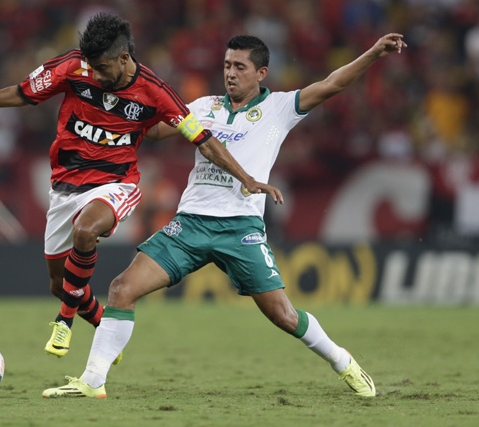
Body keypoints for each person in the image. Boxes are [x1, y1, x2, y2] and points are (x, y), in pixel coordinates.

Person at [41, 32, 407, 399]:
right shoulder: (203, 107)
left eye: (240, 67)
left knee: (284, 316)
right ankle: (92, 382)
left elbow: (332, 84)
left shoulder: (280, 108)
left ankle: (342, 361)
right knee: (121, 289)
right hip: (189, 225)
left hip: (240, 229)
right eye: (227, 65)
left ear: (261, 72)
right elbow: (151, 131)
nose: (230, 73)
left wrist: (374, 53)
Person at [0, 13, 280, 360]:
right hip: (65, 186)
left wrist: (245, 178)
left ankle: (63, 322)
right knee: (59, 285)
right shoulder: (73, 67)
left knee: (86, 230)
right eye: (91, 66)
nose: (95, 74)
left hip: (116, 183)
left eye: (103, 67)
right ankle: (100, 322)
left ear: (124, 58)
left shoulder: (155, 92)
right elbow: (23, 94)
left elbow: (202, 139)